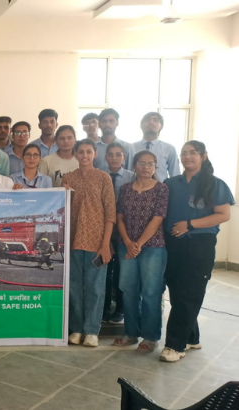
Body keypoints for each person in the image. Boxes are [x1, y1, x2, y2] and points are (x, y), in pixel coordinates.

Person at [160, 141, 233, 362]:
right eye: (184, 153)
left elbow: (223, 214)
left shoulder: (215, 184)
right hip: (173, 244)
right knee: (177, 292)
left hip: (200, 244)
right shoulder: (171, 183)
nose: (187, 156)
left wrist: (190, 225)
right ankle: (192, 337)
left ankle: (175, 345)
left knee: (189, 292)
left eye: (193, 153)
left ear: (203, 156)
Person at [62, 138, 117, 348]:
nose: (85, 155)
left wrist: (105, 244)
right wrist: (64, 192)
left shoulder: (103, 178)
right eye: (81, 152)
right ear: (75, 154)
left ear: (95, 153)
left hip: (97, 243)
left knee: (95, 288)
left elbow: (110, 214)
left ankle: (92, 330)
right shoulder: (68, 178)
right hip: (73, 242)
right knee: (75, 287)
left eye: (88, 151)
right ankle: (76, 329)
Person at [114, 150, 169, 352]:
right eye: (141, 163)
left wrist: (138, 244)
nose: (146, 167)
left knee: (151, 291)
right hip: (126, 246)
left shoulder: (161, 189)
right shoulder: (125, 189)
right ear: (134, 166)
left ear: (155, 167)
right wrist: (128, 242)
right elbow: (119, 217)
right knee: (128, 289)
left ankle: (150, 337)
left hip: (153, 247)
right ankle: (130, 333)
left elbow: (158, 218)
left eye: (150, 164)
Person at [102, 141, 136, 324]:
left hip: (125, 231)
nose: (114, 158)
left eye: (118, 155)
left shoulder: (133, 177)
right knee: (105, 270)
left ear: (124, 157)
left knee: (123, 271)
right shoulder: (100, 176)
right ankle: (105, 307)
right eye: (110, 154)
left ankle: (121, 308)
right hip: (104, 230)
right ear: (105, 157)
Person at [133, 112, 180, 182]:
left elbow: (175, 175)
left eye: (155, 120)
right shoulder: (131, 147)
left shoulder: (169, 149)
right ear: (141, 125)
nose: (151, 122)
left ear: (161, 126)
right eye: (147, 120)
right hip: (134, 187)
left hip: (162, 187)